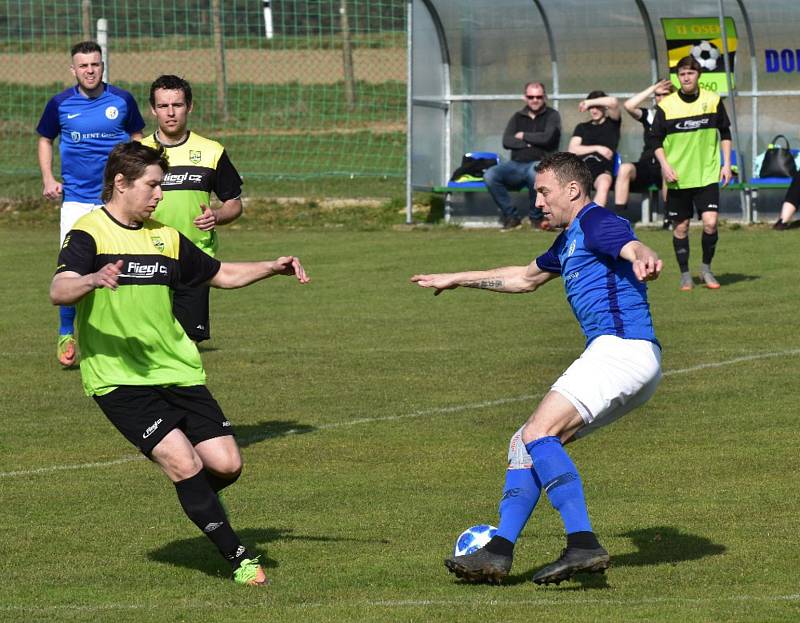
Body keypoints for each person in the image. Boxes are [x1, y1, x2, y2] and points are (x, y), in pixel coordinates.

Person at [50, 141, 310, 586]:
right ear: (120, 183)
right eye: (152, 186)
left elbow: (220, 274)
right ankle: (240, 558)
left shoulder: (165, 237)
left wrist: (271, 266)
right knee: (184, 463)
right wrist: (92, 278)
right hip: (118, 376)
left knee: (226, 465)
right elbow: (60, 288)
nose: (159, 196)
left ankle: (195, 499)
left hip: (176, 368)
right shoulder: (88, 233)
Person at [412, 152, 662, 586]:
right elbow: (523, 279)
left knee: (537, 433)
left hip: (620, 350)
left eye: (544, 192)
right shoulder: (567, 241)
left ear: (572, 190)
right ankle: (498, 551)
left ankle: (582, 543)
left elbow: (626, 240)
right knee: (525, 442)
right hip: (629, 359)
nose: (539, 201)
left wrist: (641, 253)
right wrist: (456, 277)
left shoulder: (595, 222)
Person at [37, 40, 146, 367]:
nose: (90, 70)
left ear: (103, 66)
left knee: (125, 266)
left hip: (117, 201)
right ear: (73, 69)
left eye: (95, 64)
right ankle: (67, 331)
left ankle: (127, 335)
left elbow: (137, 139)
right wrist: (48, 179)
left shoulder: (123, 100)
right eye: (83, 65)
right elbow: (45, 139)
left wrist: (137, 180)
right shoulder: (59, 104)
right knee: (70, 269)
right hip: (75, 202)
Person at [141, 75, 243, 342]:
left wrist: (218, 216)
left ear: (190, 106)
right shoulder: (137, 153)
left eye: (177, 104)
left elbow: (234, 203)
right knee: (149, 340)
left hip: (195, 258)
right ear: (153, 109)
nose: (171, 112)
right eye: (163, 106)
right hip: (146, 256)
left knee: (187, 342)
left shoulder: (211, 151)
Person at [652, 55, 733, 291]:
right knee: (681, 227)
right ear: (678, 77)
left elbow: (725, 133)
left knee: (710, 223)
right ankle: (685, 274)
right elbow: (655, 140)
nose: (686, 77)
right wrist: (666, 166)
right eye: (682, 74)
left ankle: (706, 269)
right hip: (679, 177)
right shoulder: (666, 106)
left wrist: (726, 164)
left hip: (707, 175)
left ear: (699, 75)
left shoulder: (713, 100)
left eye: (690, 73)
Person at [483, 82, 561, 231]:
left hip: (540, 162)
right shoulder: (518, 117)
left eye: (538, 96)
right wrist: (530, 143)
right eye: (531, 96)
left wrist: (523, 136)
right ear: (525, 97)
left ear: (544, 97)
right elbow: (507, 141)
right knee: (490, 175)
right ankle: (512, 217)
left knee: (535, 173)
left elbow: (547, 138)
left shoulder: (552, 115)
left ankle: (536, 218)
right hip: (515, 164)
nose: (535, 100)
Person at [612, 80, 675, 214]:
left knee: (666, 170)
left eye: (665, 94)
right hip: (647, 166)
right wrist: (652, 88)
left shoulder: (679, 116)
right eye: (658, 95)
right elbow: (628, 105)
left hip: (667, 166)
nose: (661, 98)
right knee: (624, 169)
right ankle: (618, 219)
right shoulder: (650, 115)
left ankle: (670, 217)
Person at [568, 90, 621, 208]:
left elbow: (614, 102)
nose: (594, 110)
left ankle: (593, 219)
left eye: (598, 106)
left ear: (604, 107)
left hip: (602, 168)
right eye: (591, 107)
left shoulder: (612, 124)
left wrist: (588, 102)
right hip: (582, 166)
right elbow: (572, 149)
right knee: (571, 185)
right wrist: (597, 148)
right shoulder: (582, 127)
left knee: (604, 183)